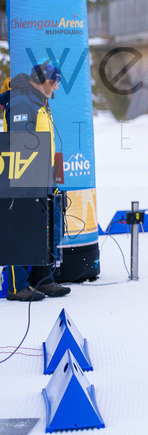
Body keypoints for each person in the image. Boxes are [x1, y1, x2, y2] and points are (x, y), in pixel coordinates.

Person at [3, 62, 71, 301]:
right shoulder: (22, 101)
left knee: (46, 227)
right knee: (20, 229)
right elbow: (20, 142)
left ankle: (42, 278)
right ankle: (15, 284)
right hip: (23, 174)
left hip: (43, 174)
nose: (56, 88)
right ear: (47, 81)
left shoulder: (38, 101)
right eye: (55, 83)